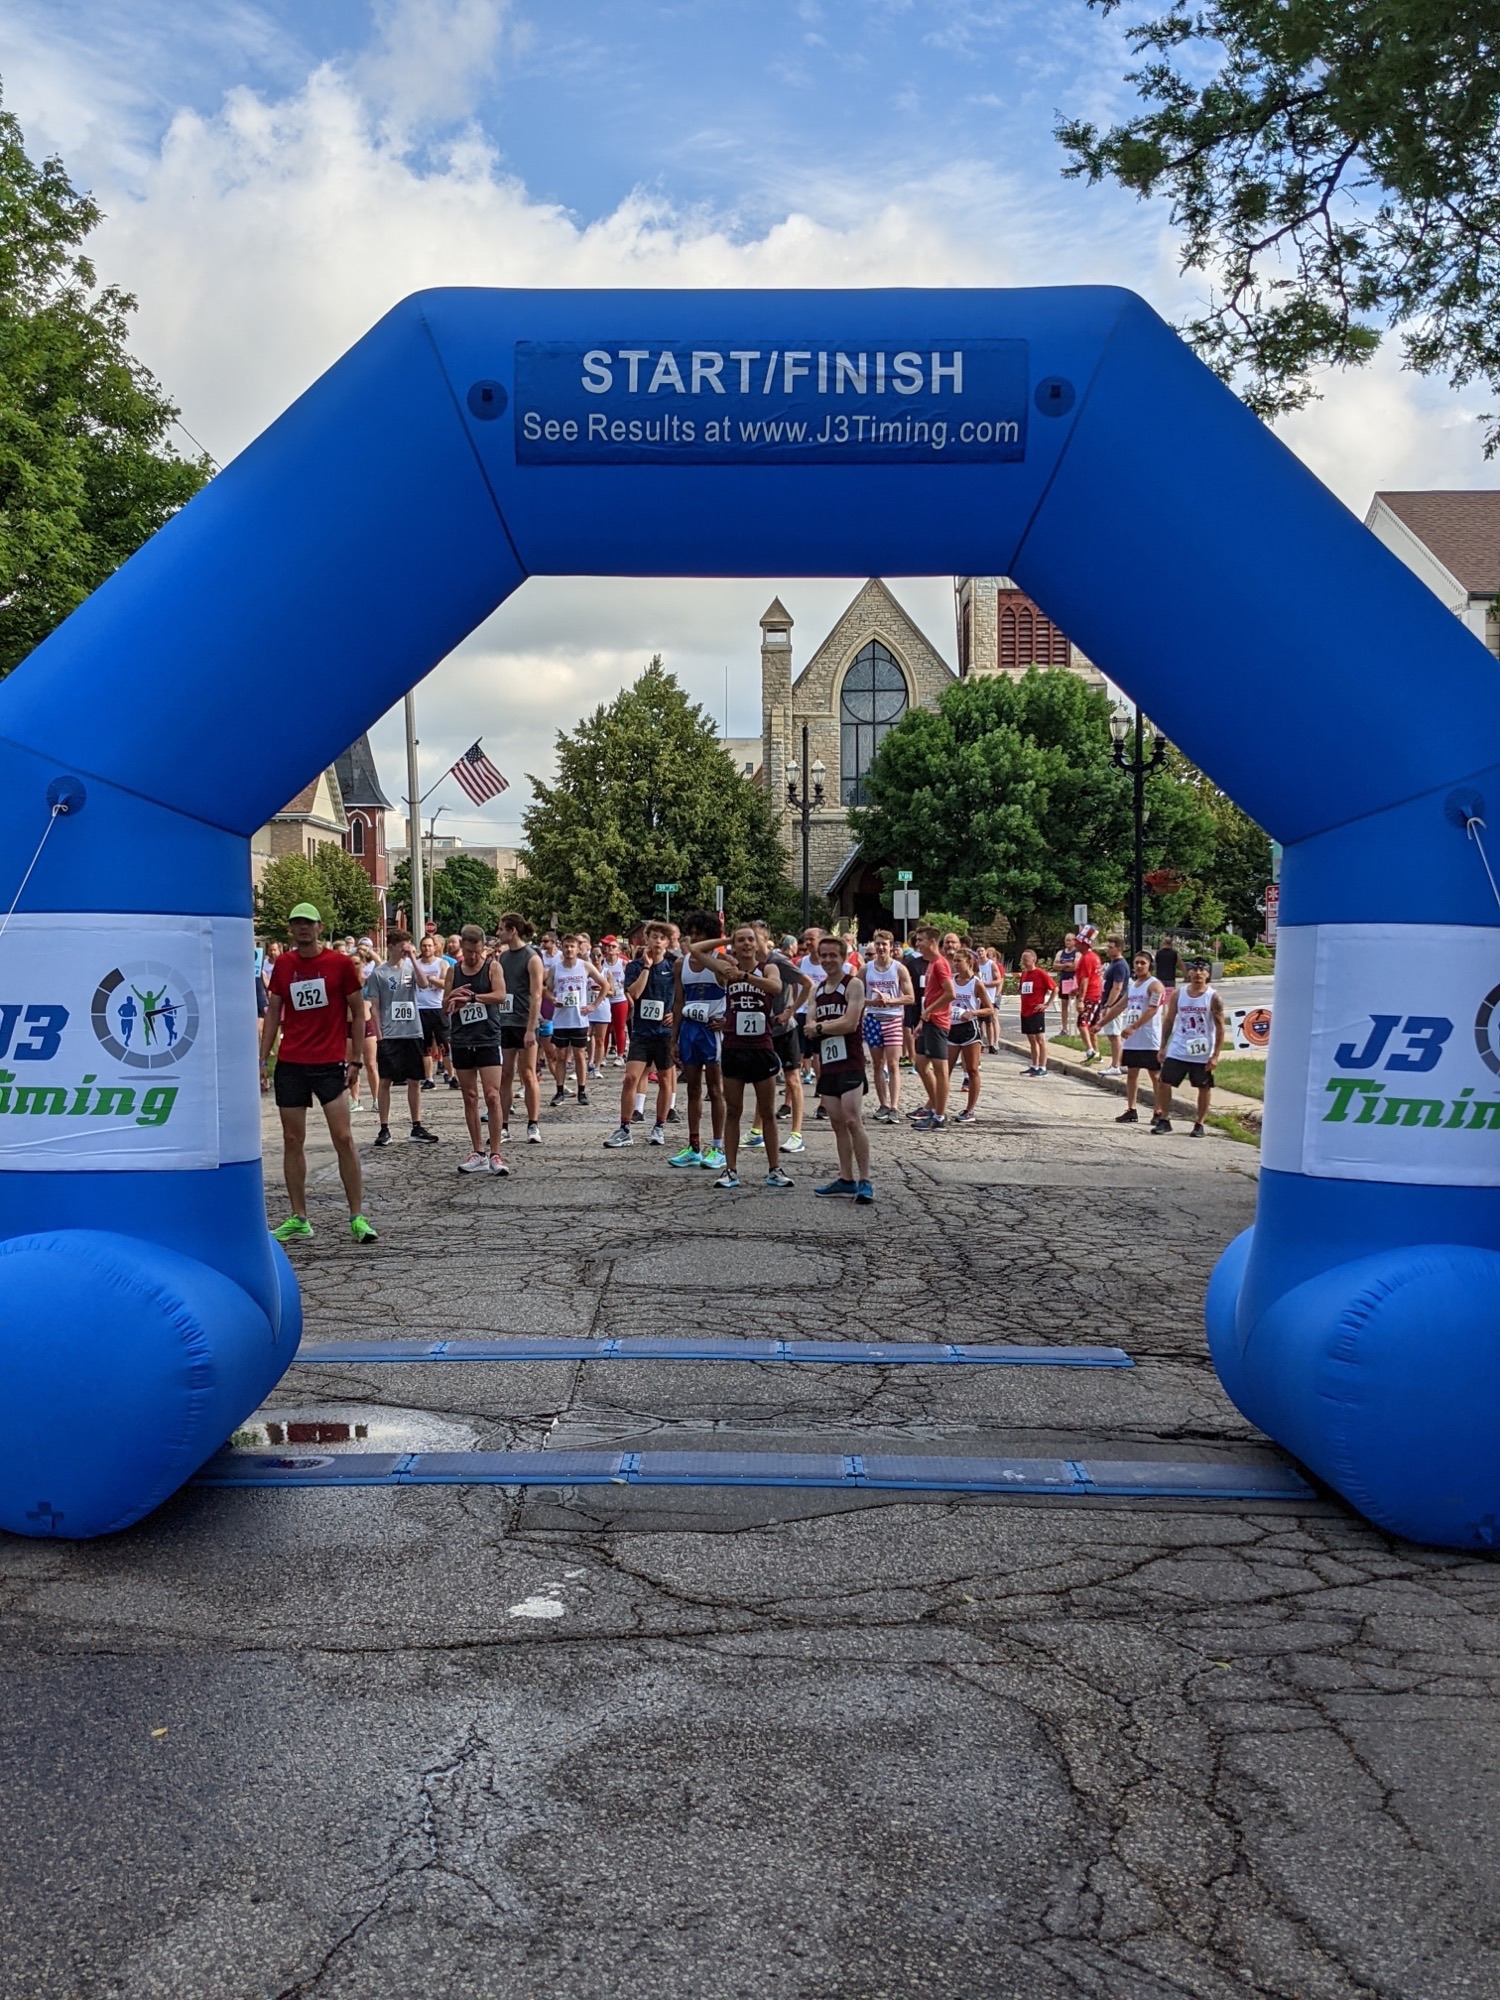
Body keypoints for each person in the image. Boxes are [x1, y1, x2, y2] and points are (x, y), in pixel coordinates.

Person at [260, 902, 377, 1243]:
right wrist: (262, 1060)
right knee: (292, 1140)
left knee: (343, 1138)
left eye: (308, 924)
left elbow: (359, 1012)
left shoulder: (339, 964)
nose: (302, 929)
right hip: (292, 1062)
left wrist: (354, 1060)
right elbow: (273, 1014)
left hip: (329, 1063)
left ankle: (357, 1216)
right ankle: (299, 1217)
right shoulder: (284, 964)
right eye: (296, 924)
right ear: (291, 929)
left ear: (320, 927)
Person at [687, 925, 794, 1191]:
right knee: (733, 1111)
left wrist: (744, 976)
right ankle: (731, 1170)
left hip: (762, 1047)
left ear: (759, 944)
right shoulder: (725, 970)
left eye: (751, 939)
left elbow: (775, 987)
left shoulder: (768, 967)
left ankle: (774, 1169)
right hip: (734, 1047)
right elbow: (695, 949)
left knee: (767, 1111)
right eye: (740, 940)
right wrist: (726, 940)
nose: (746, 943)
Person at [806, 932, 873, 1201]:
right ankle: (846, 1178)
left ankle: (865, 1180)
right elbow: (808, 1028)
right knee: (836, 1122)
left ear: (843, 957)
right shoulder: (817, 990)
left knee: (852, 1119)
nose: (828, 960)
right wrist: (820, 1028)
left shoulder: (853, 985)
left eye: (833, 955)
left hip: (850, 1062)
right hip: (828, 1063)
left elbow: (850, 1023)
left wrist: (822, 1027)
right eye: (823, 956)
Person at [603, 923, 677, 1148]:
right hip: (642, 1031)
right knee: (631, 1078)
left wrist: (676, 1013)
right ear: (647, 939)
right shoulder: (635, 966)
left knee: (665, 1079)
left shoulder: (675, 965)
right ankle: (625, 1128)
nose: (657, 942)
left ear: (667, 941)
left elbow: (685, 993)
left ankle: (659, 1126)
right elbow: (633, 994)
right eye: (653, 937)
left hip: (664, 1031)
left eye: (661, 938)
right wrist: (646, 967)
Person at [445, 924, 510, 1175]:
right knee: (469, 1096)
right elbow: (444, 1005)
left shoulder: (492, 967)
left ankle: (496, 1153)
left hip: (488, 1038)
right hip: (462, 1039)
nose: (472, 957)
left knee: (492, 1095)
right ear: (462, 948)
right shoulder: (453, 971)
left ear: (483, 948)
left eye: (477, 951)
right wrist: (453, 997)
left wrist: (472, 998)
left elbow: (501, 996)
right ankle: (478, 1152)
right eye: (468, 952)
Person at [364, 929, 438, 1149]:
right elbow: (374, 1006)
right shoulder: (379, 973)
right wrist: (379, 1034)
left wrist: (414, 959)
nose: (405, 949)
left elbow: (424, 984)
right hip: (390, 1032)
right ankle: (384, 1127)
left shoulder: (411, 967)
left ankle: (416, 1125)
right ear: (391, 947)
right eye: (401, 945)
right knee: (386, 1080)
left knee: (415, 1080)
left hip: (412, 1031)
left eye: (408, 944)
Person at [669, 910, 728, 1170]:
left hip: (712, 1030)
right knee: (692, 1088)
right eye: (690, 935)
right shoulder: (681, 964)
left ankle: (718, 1147)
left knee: (715, 1090)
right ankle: (694, 1146)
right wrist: (673, 1039)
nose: (693, 941)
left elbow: (736, 994)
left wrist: (728, 1021)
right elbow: (679, 1001)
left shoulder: (721, 961)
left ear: (711, 938)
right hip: (690, 1030)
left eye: (699, 936)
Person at [1152, 957, 1226, 1137]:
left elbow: (1220, 1027)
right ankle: (1164, 1119)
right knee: (1164, 1081)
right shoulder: (1179, 994)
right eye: (1194, 969)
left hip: (1201, 1050)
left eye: (1202, 970)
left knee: (1203, 1087)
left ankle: (1199, 1123)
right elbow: (1169, 1020)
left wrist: (1215, 1055)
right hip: (1179, 1046)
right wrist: (1162, 1046)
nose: (1198, 973)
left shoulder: (1213, 997)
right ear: (1189, 972)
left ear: (1208, 974)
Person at [1099, 950, 1165, 1124]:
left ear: (1150, 965)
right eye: (1136, 963)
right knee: (1132, 1073)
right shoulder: (1134, 986)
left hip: (1149, 1038)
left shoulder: (1155, 985)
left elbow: (1153, 1009)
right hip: (1132, 1040)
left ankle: (1159, 1111)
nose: (1139, 966)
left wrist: (1134, 1027)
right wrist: (1100, 1023)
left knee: (1155, 1075)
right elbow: (1120, 1006)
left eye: (1143, 962)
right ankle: (1131, 1109)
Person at [496, 912, 544, 1145]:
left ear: (512, 930)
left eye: (501, 929)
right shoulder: (503, 958)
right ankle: (503, 1125)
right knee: (505, 1074)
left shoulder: (532, 957)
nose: (498, 933)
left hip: (524, 1022)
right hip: (505, 1022)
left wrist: (531, 1028)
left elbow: (537, 995)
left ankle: (533, 1124)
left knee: (528, 1073)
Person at [545, 935, 605, 1109]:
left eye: (572, 947)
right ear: (561, 948)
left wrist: (594, 1005)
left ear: (578, 948)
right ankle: (560, 1090)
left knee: (579, 1055)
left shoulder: (585, 966)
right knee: (561, 1056)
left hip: (579, 1019)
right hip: (561, 1019)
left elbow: (605, 985)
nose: (569, 950)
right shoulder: (555, 969)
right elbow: (547, 990)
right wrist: (552, 999)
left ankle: (582, 1090)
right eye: (566, 946)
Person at [862, 930, 913, 1123]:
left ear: (891, 946)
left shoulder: (899, 969)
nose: (881, 947)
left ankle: (894, 1106)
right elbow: (855, 995)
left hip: (892, 1019)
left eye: (884, 944)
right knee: (877, 1064)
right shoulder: (866, 969)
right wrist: (871, 1002)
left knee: (893, 1064)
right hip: (873, 1019)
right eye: (878, 944)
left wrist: (890, 1001)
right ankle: (882, 1104)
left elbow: (910, 997)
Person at [910, 925, 954, 1130]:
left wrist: (930, 1012)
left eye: (920, 940)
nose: (917, 943)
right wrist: (921, 1020)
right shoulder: (930, 964)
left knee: (940, 1070)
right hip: (928, 1021)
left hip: (938, 1022)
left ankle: (939, 1116)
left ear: (932, 942)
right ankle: (935, 1107)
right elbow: (931, 995)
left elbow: (950, 993)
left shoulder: (940, 964)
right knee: (920, 1064)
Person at [946, 947, 993, 1122]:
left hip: (970, 1030)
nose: (955, 964)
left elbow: (989, 1008)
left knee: (972, 1070)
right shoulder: (951, 981)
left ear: (969, 962)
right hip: (952, 1028)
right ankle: (937, 1106)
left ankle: (969, 1109)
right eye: (954, 960)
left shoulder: (976, 983)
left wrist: (973, 1013)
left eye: (959, 961)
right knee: (945, 1070)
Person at [414, 934, 455, 1090]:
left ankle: (451, 1075)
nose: (427, 948)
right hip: (420, 1007)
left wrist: (429, 979)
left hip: (437, 1007)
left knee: (444, 1043)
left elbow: (445, 984)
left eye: (430, 945)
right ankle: (429, 1078)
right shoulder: (415, 964)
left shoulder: (442, 963)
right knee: (425, 1047)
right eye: (424, 946)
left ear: (435, 947)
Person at [1016, 951, 1055, 1076]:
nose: (1024, 961)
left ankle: (1043, 1067)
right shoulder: (1024, 974)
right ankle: (1034, 1065)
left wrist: (1046, 1004)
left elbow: (1054, 988)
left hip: (1036, 1010)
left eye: (1026, 958)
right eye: (1023, 958)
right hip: (1026, 1011)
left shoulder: (1040, 973)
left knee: (1040, 1039)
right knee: (1031, 1039)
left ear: (1033, 959)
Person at [1097, 939, 1130, 1077]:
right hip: (1110, 1003)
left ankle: (1115, 1065)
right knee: (1113, 1035)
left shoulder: (1120, 965)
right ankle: (1121, 1063)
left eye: (1111, 947)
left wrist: (1109, 1005)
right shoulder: (1113, 964)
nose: (1107, 949)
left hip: (1115, 1005)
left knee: (1114, 1035)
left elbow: (1117, 987)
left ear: (1119, 949)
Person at [1074, 933, 1103, 1063]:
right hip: (1096, 994)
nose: (1075, 944)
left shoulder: (1086, 958)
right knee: (1092, 1026)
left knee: (1082, 1023)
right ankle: (1097, 1052)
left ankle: (1090, 1051)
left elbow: (1085, 979)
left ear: (1083, 944)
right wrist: (1077, 990)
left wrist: (1081, 999)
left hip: (1090, 996)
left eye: (1078, 942)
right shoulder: (1095, 957)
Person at [600, 936, 629, 1062]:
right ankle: (602, 1055)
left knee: (619, 1028)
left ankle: (620, 1055)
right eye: (608, 946)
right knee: (604, 1029)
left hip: (620, 999)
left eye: (613, 946)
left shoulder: (623, 964)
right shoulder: (602, 963)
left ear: (619, 950)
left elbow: (630, 981)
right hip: (605, 1000)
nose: (610, 949)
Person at [1053, 933, 1081, 1035]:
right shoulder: (1060, 953)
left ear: (1074, 941)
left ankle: (1080, 1026)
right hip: (1064, 980)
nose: (1067, 942)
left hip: (1075, 980)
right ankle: (1064, 1028)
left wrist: (1063, 966)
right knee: (1064, 1004)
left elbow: (1075, 966)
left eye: (1069, 940)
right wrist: (1065, 965)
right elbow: (1055, 965)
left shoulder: (1077, 953)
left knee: (1078, 1004)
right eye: (1066, 940)